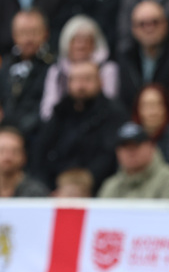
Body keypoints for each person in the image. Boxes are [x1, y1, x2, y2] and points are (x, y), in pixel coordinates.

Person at [30, 60, 127, 191]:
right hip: (56, 187)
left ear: (101, 82)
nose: (80, 85)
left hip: (99, 188)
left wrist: (85, 181)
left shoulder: (113, 113)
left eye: (87, 79)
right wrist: (50, 186)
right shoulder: (60, 112)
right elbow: (41, 151)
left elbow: (111, 155)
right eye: (75, 80)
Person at [118, 0, 169, 114]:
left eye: (155, 22)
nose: (149, 29)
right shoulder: (126, 56)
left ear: (166, 24)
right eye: (142, 24)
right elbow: (124, 101)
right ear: (133, 29)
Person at [40, 14, 119, 121]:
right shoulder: (57, 71)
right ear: (67, 43)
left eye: (86, 41)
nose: (81, 46)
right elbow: (48, 108)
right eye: (76, 41)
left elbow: (110, 101)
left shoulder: (107, 69)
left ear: (95, 44)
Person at [0, 9, 53, 144]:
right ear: (14, 35)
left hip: (36, 136)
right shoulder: (5, 64)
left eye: (34, 32)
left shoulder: (52, 66)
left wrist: (16, 131)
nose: (28, 39)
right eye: (23, 33)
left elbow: (45, 110)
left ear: (46, 33)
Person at [98, 121, 169, 199]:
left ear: (150, 147)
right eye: (125, 147)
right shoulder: (110, 187)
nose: (130, 152)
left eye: (135, 146)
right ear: (117, 152)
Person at [132, 83, 169, 170]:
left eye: (157, 104)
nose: (152, 112)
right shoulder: (131, 133)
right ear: (138, 109)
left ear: (166, 108)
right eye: (147, 105)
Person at [0, 127, 49, 198]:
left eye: (15, 151)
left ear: (24, 156)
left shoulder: (37, 193)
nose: (7, 157)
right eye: (1, 151)